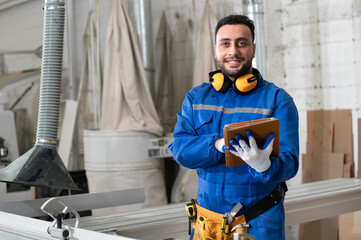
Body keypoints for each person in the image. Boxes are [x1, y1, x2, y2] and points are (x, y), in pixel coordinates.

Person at [169, 14, 299, 240]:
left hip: (258, 223)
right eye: (225, 43)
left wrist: (264, 165)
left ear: (253, 49)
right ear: (216, 49)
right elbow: (180, 150)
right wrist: (216, 144)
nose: (233, 51)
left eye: (242, 43)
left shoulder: (277, 100)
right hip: (207, 225)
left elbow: (291, 163)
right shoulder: (196, 98)